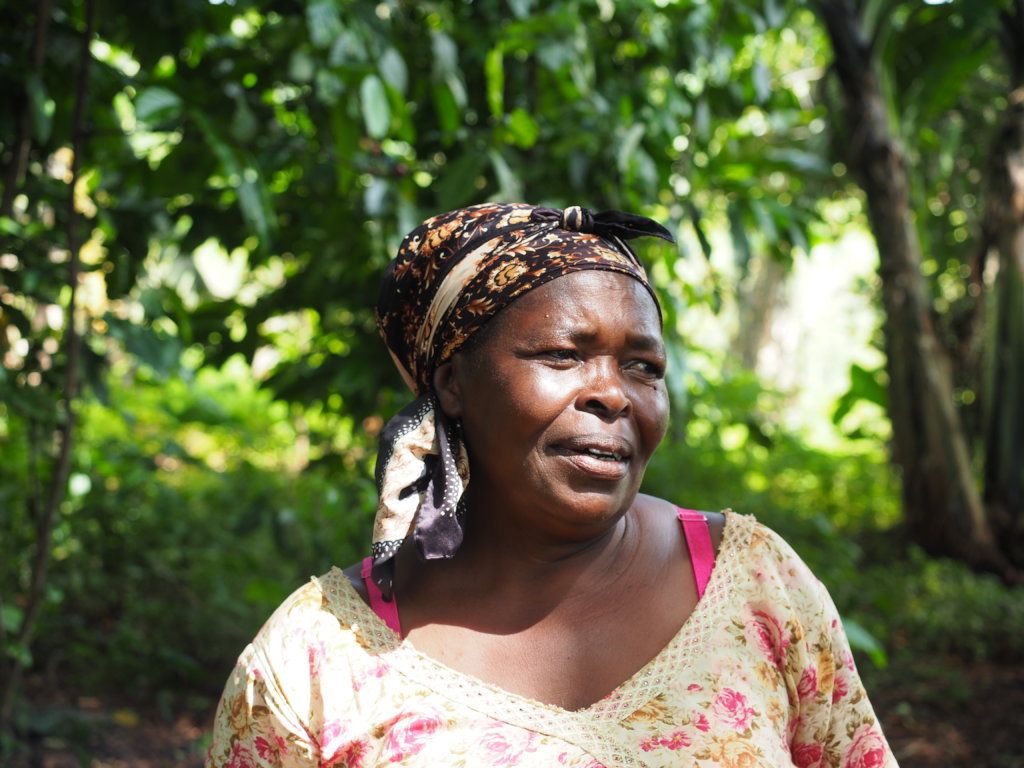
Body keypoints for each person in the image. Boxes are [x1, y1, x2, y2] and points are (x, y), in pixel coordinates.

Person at [206, 202, 898, 768]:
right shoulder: (318, 657)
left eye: (644, 367)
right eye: (563, 355)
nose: (613, 395)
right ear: (452, 381)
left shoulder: (752, 581)